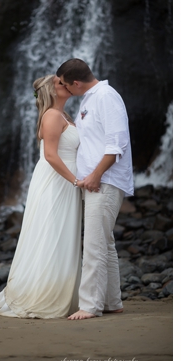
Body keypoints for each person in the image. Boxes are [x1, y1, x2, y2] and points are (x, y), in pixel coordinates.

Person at [0, 75, 82, 318]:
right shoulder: (53, 115)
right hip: (56, 181)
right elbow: (52, 155)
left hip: (62, 181)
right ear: (51, 92)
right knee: (50, 233)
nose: (65, 84)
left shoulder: (63, 115)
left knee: (60, 233)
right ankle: (43, 294)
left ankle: (57, 290)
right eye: (59, 83)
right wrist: (76, 180)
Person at [57, 58, 134, 320]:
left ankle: (90, 305)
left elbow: (117, 144)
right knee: (105, 242)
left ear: (76, 82)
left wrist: (95, 175)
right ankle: (113, 302)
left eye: (67, 86)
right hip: (95, 180)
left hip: (104, 181)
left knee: (93, 244)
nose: (66, 90)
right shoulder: (88, 99)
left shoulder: (106, 97)